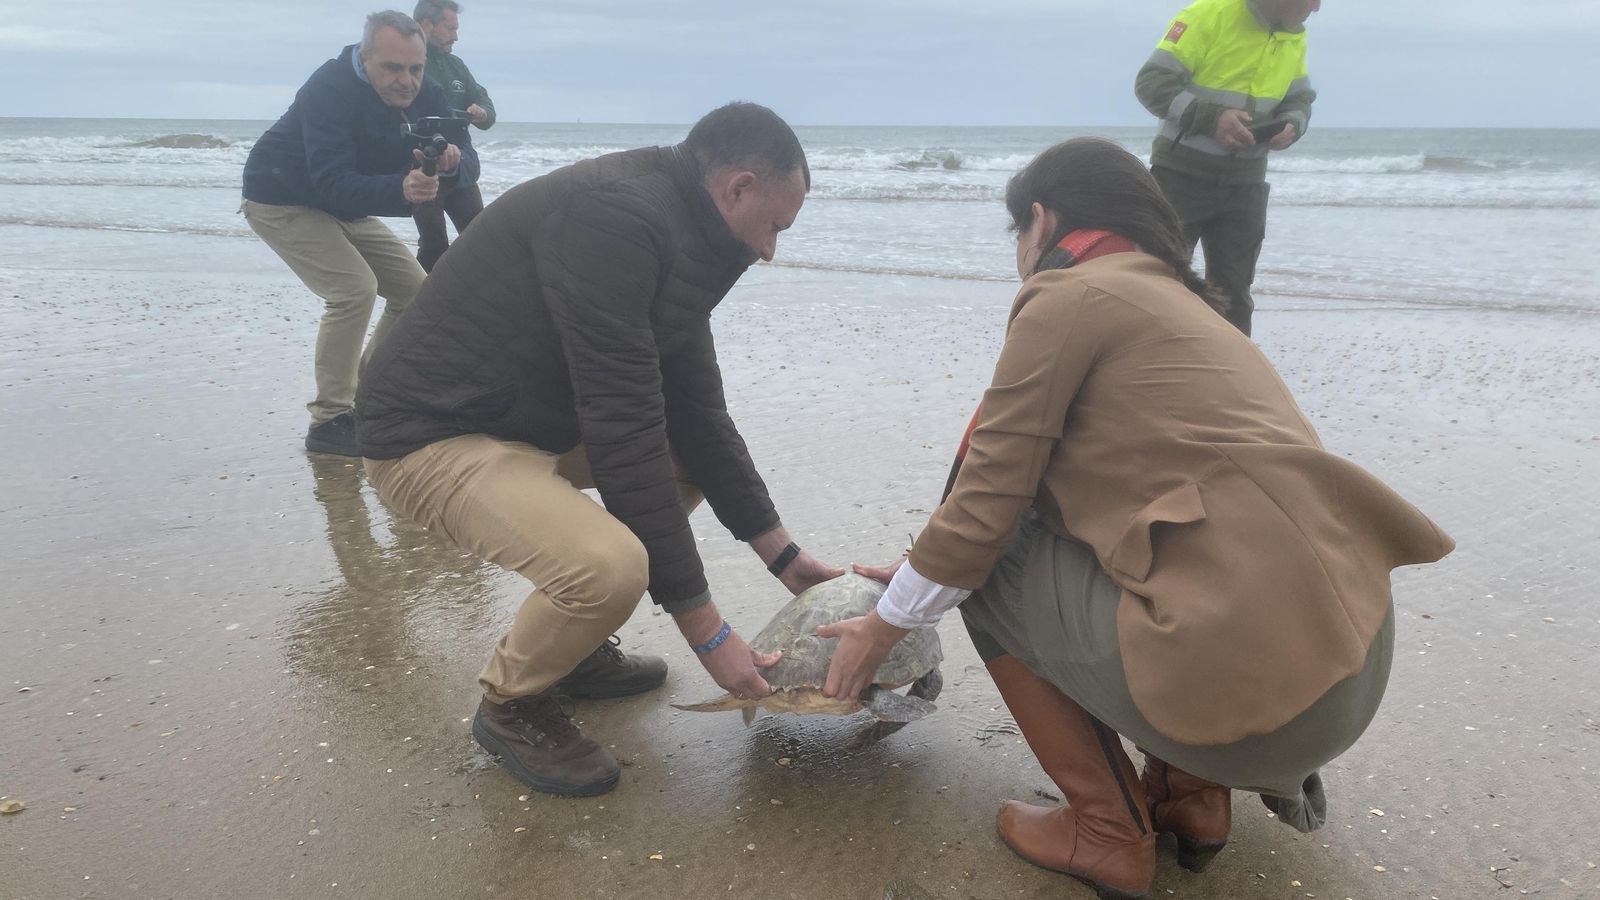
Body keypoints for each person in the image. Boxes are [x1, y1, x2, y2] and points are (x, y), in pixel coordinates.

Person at [819, 139, 1453, 899]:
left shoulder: (1070, 295)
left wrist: (886, 623)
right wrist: (925, 566)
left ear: (1041, 221)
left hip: (1252, 698)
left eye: (1016, 234)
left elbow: (986, 507)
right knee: (1141, 547)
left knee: (988, 567)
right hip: (1343, 678)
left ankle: (1107, 830)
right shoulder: (1194, 310)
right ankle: (1193, 798)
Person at [356, 102, 844, 798]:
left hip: (524, 424)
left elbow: (699, 416)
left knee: (685, 465)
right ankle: (512, 702)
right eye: (775, 226)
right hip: (427, 434)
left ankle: (570, 649)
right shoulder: (614, 219)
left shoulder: (690, 234)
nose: (771, 250)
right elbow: (623, 424)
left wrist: (784, 557)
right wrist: (708, 633)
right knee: (609, 567)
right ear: (739, 187)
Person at [242, 11, 479, 457]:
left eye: (415, 68)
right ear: (365, 57)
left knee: (416, 291)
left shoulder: (427, 91)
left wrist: (453, 161)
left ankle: (369, 397)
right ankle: (330, 420)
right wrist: (401, 189)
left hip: (344, 204)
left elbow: (469, 159)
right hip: (280, 197)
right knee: (354, 290)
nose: (406, 81)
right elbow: (332, 181)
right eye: (392, 68)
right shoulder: (328, 89)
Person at [1134, 0, 1319, 335]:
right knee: (1158, 283)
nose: (1317, 7)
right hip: (1180, 178)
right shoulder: (1208, 15)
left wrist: (1293, 123)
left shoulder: (1294, 32)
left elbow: (1300, 99)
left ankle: (1230, 366)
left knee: (1234, 295)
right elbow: (1151, 83)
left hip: (1246, 185)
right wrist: (1212, 119)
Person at [411, 0, 495, 272]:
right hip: (425, 168)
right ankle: (417, 296)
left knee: (481, 240)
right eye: (450, 28)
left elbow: (485, 104)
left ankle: (476, 293)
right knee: (434, 246)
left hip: (460, 169)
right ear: (427, 25)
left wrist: (481, 112)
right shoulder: (407, 65)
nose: (456, 36)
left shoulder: (455, 65)